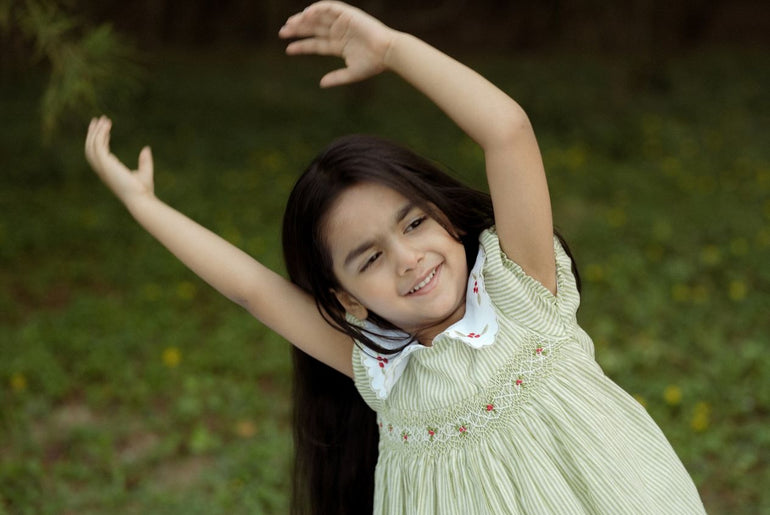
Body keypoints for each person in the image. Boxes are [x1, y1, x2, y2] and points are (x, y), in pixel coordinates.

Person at [85, 2, 706, 513]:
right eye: (370, 258)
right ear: (347, 298)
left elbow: (507, 131)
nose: (408, 258)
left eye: (413, 222)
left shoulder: (520, 293)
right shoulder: (380, 368)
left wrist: (392, 50)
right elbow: (253, 289)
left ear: (443, 217)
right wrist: (144, 206)